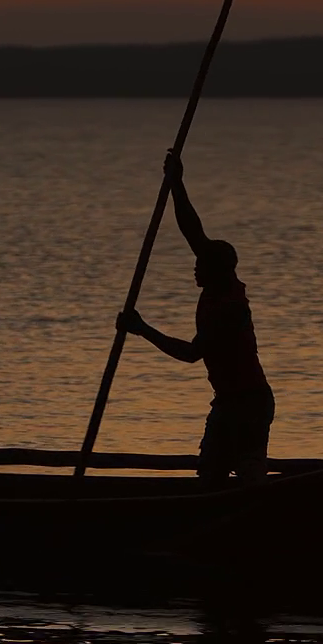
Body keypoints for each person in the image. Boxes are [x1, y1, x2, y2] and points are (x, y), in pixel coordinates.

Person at [116, 150, 274, 483]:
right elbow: (191, 228)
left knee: (249, 472)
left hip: (250, 403)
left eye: (201, 264)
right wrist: (177, 182)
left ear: (216, 271)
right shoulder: (216, 279)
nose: (195, 267)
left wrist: (142, 329)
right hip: (226, 401)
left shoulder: (230, 307)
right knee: (210, 474)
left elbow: (191, 353)